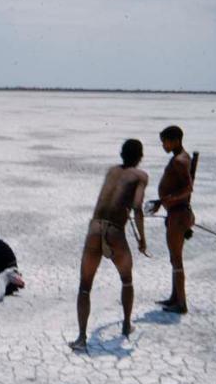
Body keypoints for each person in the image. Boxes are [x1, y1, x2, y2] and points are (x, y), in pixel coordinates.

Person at [69, 139, 148, 352]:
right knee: (127, 280)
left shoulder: (111, 171)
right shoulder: (140, 176)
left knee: (85, 287)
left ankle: (81, 338)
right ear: (140, 156)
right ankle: (125, 324)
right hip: (115, 233)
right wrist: (142, 239)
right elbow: (138, 207)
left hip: (94, 231)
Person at [149, 125, 195, 314]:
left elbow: (188, 188)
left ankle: (181, 303)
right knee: (174, 259)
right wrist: (162, 202)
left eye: (165, 141)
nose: (163, 145)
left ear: (176, 140)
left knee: (176, 259)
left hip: (179, 214)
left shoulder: (180, 160)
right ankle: (174, 297)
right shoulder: (180, 158)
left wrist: (169, 199)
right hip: (175, 213)